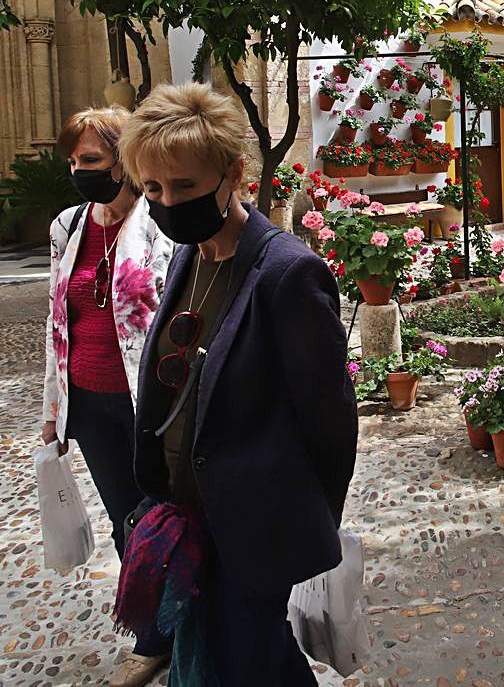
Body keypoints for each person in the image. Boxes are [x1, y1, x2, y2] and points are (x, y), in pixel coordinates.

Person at [116, 83, 358, 685]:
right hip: (188, 517)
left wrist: (299, 528)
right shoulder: (188, 257)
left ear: (233, 173)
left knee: (248, 660)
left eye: (186, 187)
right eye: (152, 189)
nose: (167, 202)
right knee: (242, 661)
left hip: (254, 528)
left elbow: (331, 423)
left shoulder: (287, 273)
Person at [42, 105, 174, 687]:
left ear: (122, 160)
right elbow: (56, 325)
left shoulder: (162, 223)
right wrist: (53, 411)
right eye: (72, 161)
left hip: (149, 403)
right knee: (127, 522)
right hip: (89, 403)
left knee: (168, 516)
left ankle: (195, 622)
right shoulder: (67, 228)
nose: (79, 171)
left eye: (90, 160)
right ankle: (155, 635)